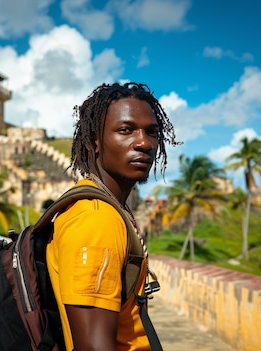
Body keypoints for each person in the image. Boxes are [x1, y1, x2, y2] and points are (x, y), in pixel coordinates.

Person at [46, 82, 179, 350]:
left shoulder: (107, 208)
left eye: (152, 132)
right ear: (93, 141)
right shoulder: (96, 219)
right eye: (126, 130)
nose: (144, 143)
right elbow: (94, 346)